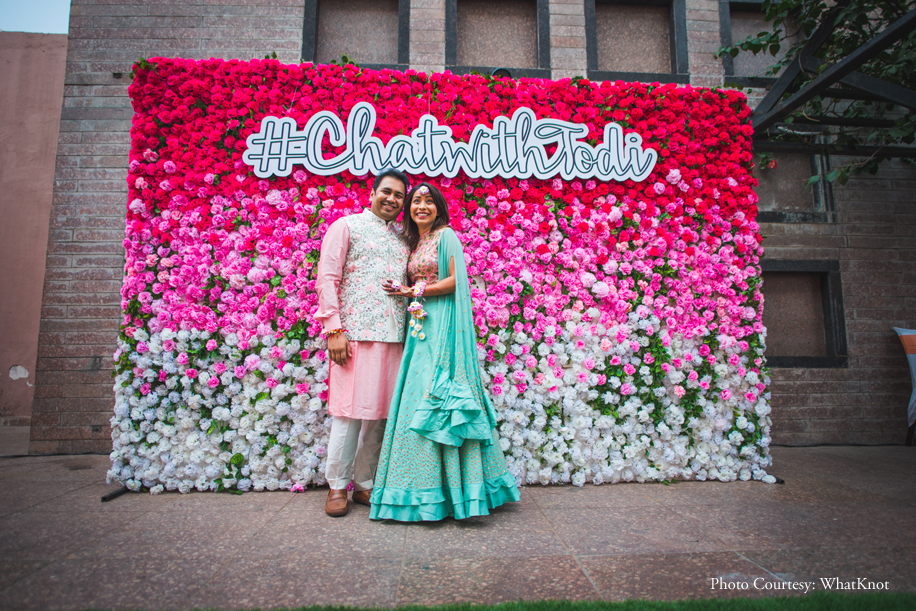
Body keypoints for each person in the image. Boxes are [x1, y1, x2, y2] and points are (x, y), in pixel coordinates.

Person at [371, 183, 520, 521]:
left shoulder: (446, 236)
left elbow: (456, 280)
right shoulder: (416, 242)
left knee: (435, 393)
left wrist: (413, 290)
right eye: (416, 201)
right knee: (415, 396)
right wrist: (409, 293)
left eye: (429, 201)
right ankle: (417, 486)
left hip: (443, 325)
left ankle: (455, 492)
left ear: (438, 207)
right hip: (420, 326)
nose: (421, 206)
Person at [314, 168, 411, 517]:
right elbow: (327, 278)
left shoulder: (403, 238)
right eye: (386, 192)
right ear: (372, 193)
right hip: (352, 337)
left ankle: (365, 483)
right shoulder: (346, 226)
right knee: (348, 414)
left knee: (381, 417)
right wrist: (334, 330)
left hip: (394, 338)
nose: (391, 199)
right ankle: (337, 486)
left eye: (398, 195)